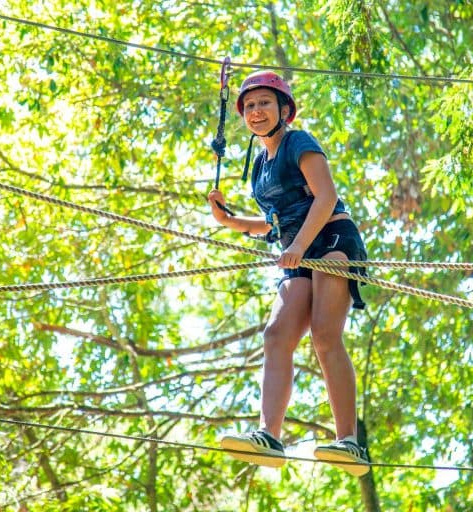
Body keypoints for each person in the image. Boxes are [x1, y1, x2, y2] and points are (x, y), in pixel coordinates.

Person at [207, 70, 370, 477]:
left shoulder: (299, 142)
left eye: (265, 103)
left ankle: (349, 441)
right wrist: (230, 221)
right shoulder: (260, 163)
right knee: (276, 334)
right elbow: (273, 224)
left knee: (324, 334)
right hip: (295, 248)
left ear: (283, 110)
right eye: (249, 106)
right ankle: (269, 436)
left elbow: (325, 196)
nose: (256, 111)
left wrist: (298, 247)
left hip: (330, 238)